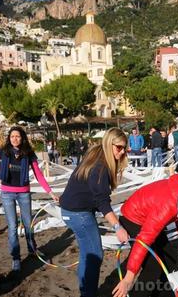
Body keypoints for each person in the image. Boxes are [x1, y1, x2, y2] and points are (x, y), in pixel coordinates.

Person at [113, 169, 178, 297]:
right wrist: (129, 278)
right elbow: (144, 240)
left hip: (151, 215)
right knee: (153, 266)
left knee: (170, 258)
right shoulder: (167, 207)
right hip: (133, 217)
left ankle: (162, 293)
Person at [0, 126, 58, 271]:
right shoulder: (3, 151)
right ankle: (16, 258)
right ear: (9, 138)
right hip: (7, 194)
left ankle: (32, 250)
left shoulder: (29, 153)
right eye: (12, 136)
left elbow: (38, 174)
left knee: (28, 224)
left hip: (24, 193)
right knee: (12, 227)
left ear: (22, 137)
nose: (15, 139)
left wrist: (50, 192)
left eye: (17, 136)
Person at [60, 127, 129, 297]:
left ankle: (86, 291)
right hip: (78, 213)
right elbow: (102, 202)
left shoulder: (96, 153)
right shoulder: (101, 166)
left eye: (124, 148)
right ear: (108, 143)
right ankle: (88, 293)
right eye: (118, 147)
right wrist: (117, 227)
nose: (121, 152)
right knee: (95, 254)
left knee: (87, 252)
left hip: (71, 209)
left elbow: (88, 189)